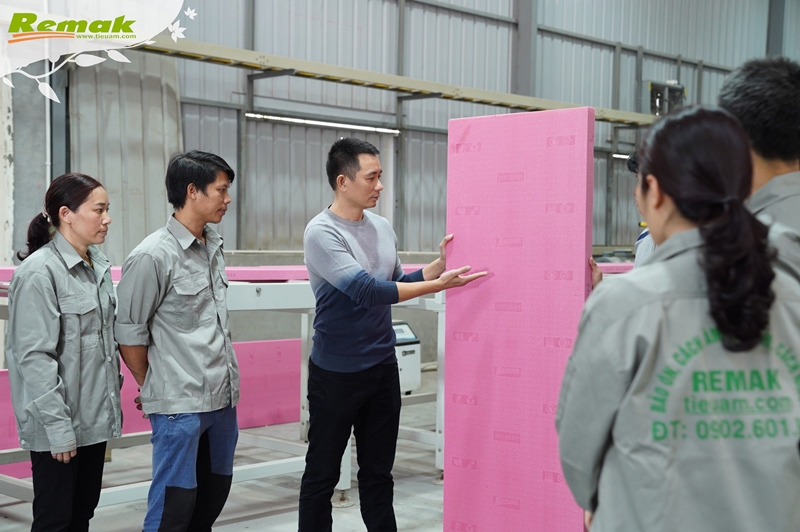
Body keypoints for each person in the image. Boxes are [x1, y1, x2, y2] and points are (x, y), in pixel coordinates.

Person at [557, 106, 800, 532]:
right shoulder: (791, 292)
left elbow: (578, 445)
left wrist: (603, 500)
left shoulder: (623, 305)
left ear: (654, 191)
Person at [298, 138, 486, 531]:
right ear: (343, 181)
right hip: (336, 375)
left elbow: (397, 282)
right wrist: (438, 286)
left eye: (380, 176)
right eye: (372, 177)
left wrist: (437, 267)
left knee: (379, 474)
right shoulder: (321, 233)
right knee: (322, 475)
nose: (380, 186)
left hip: (382, 368)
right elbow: (367, 291)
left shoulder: (382, 227)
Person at [114, 151, 239, 531]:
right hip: (180, 407)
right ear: (192, 191)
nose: (227, 199)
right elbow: (129, 332)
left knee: (212, 497)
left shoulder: (212, 246)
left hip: (222, 401)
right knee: (173, 508)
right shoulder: (153, 255)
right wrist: (152, 382)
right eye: (221, 190)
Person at [6, 173, 120, 532]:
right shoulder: (40, 273)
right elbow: (34, 357)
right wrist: (58, 429)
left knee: (81, 514)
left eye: (107, 209)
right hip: (60, 424)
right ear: (66, 214)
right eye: (98, 210)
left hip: (92, 421)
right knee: (55, 521)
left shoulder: (96, 267)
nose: (107, 219)